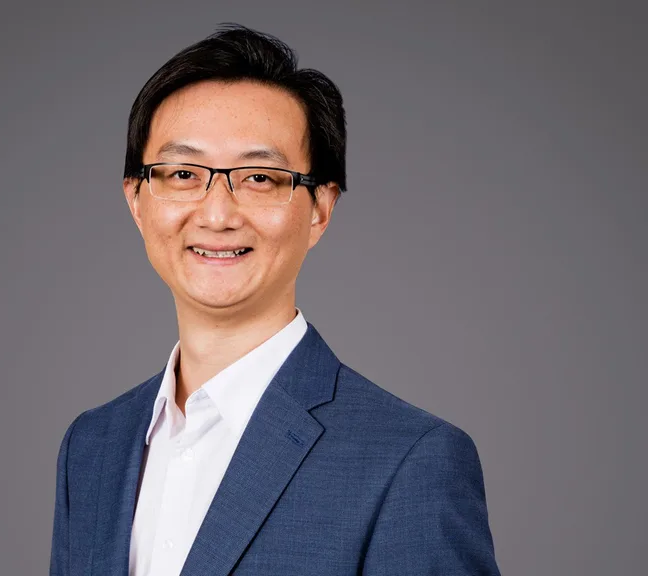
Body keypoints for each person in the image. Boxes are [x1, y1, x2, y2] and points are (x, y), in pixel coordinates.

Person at [50, 24, 501, 576]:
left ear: (320, 209)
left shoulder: (412, 461)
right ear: (137, 200)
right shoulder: (93, 446)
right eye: (183, 173)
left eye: (260, 177)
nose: (217, 214)